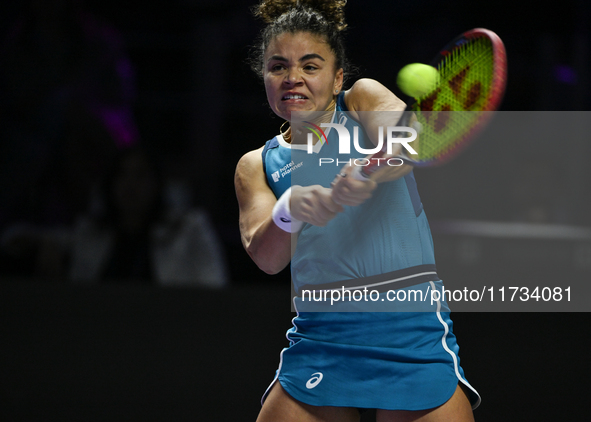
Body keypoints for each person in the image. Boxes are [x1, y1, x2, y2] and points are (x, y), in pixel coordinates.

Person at [234, 1, 480, 421]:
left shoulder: (362, 98)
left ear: (337, 79)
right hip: (322, 336)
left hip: (410, 330)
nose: (293, 78)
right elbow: (268, 257)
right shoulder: (257, 164)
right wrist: (290, 210)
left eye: (311, 66)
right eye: (278, 67)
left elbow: (403, 143)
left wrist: (370, 168)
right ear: (265, 77)